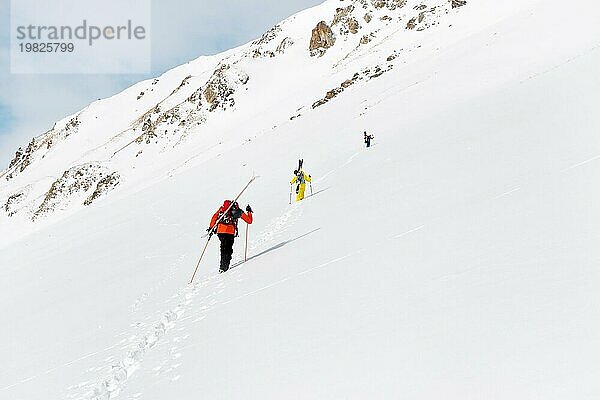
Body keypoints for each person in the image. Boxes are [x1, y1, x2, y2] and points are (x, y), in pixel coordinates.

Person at [208, 200, 253, 273]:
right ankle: (224, 267)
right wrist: (249, 212)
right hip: (230, 232)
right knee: (228, 249)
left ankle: (222, 267)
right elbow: (249, 221)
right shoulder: (237, 211)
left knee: (223, 248)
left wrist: (211, 228)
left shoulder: (222, 209)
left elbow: (214, 217)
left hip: (220, 231)